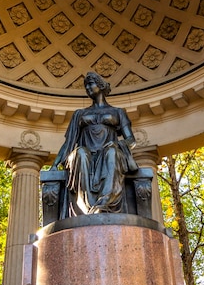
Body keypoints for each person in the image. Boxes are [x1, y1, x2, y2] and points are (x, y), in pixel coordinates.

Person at [51, 72, 138, 215]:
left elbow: (131, 140)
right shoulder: (80, 114)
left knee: (112, 153)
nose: (87, 88)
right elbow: (69, 142)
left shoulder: (117, 112)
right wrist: (54, 164)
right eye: (86, 85)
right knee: (80, 153)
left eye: (90, 84)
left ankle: (104, 202)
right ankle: (88, 206)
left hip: (109, 153)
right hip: (86, 154)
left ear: (101, 85)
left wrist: (118, 145)